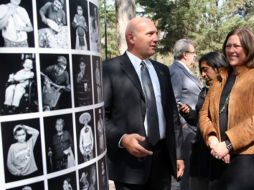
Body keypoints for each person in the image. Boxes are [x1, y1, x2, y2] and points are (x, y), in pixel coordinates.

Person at [103, 17, 184, 190]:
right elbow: (99, 117)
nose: (156, 38)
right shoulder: (109, 69)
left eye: (156, 33)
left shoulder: (162, 70)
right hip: (129, 166)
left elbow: (172, 116)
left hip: (162, 161)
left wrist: (178, 154)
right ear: (131, 38)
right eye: (150, 34)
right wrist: (122, 139)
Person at [199, 28, 254, 190]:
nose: (231, 50)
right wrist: (212, 140)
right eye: (228, 46)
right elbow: (204, 113)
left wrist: (228, 144)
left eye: (236, 46)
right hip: (216, 155)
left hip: (246, 159)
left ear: (249, 47)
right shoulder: (220, 77)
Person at [178, 52, 229, 190]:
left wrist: (227, 145)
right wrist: (189, 113)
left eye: (205, 70)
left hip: (220, 150)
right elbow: (201, 118)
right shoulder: (205, 91)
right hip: (201, 149)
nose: (203, 74)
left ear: (218, 67)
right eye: (201, 70)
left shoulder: (230, 90)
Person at [169, 39, 203, 190]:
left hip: (192, 128)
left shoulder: (185, 71)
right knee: (181, 173)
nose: (195, 57)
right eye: (193, 53)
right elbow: (173, 103)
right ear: (185, 54)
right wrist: (184, 125)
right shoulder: (176, 71)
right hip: (184, 131)